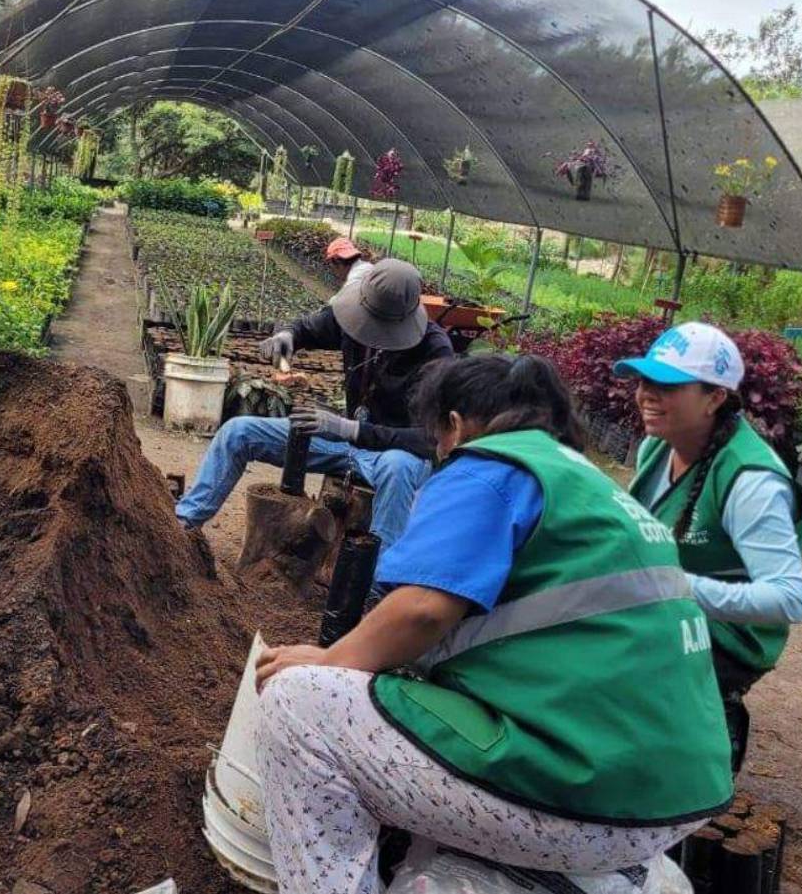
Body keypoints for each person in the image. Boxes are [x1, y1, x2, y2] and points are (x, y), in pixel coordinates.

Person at [254, 354, 733, 894]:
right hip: (668, 799)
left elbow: (422, 610)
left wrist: (328, 661)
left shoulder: (490, 465)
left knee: (298, 705)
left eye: (438, 439)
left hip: (589, 795)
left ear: (455, 426)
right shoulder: (590, 485)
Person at [615, 322, 802, 771]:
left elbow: (788, 599)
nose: (646, 393)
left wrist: (676, 587)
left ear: (715, 397)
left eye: (667, 385)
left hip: (728, 635)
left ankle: (706, 744)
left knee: (611, 663)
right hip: (666, 604)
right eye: (644, 380)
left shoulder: (751, 481)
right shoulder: (656, 450)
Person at [175, 259, 454, 551]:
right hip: (343, 444)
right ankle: (184, 524)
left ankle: (376, 581)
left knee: (398, 469)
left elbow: (430, 439)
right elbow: (308, 328)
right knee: (238, 432)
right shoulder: (351, 316)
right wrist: (288, 336)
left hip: (389, 455)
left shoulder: (435, 352)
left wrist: (352, 429)